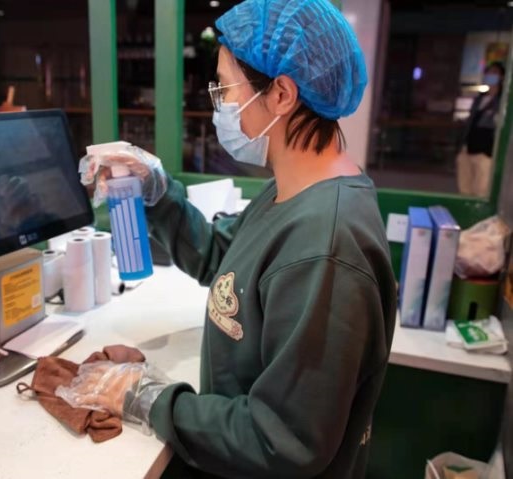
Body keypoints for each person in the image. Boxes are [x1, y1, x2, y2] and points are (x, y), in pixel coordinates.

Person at [66, 1, 397, 477]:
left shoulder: (326, 246)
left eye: (224, 89)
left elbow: (280, 440)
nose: (218, 105)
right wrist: (157, 192)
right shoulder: (294, 189)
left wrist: (148, 398)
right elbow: (227, 261)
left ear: (281, 94)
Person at [456, 62, 505, 197]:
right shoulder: (479, 99)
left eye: (494, 73)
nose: (490, 76)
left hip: (485, 151)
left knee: (481, 189)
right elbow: (472, 121)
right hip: (468, 147)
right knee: (464, 187)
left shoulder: (502, 101)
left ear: (502, 77)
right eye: (488, 72)